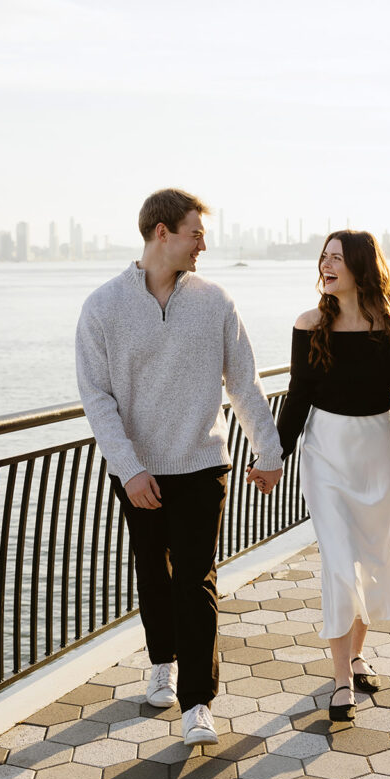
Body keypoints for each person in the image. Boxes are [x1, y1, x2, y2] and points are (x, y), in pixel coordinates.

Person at [76, 189, 283, 746]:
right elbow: (97, 398)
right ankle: (162, 661)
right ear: (161, 233)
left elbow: (244, 383)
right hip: (138, 471)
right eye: (195, 232)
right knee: (153, 572)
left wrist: (269, 452)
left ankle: (198, 701)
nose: (204, 244)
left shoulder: (215, 300)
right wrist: (127, 467)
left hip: (201, 463)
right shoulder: (102, 307)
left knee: (195, 580)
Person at [276, 230, 390, 722]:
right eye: (323, 257)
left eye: (337, 258)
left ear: (359, 266)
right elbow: (298, 398)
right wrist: (274, 456)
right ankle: (340, 682)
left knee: (372, 560)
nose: (326, 265)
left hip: (376, 453)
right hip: (325, 454)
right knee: (338, 562)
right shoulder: (310, 324)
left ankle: (355, 656)